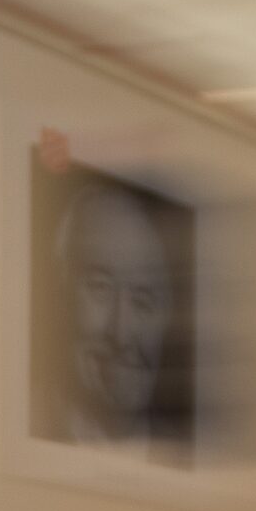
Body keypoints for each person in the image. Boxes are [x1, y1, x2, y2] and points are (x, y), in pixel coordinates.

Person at [54, 179, 176, 449]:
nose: (122, 334)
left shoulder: (184, 453)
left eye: (143, 300)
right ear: (60, 295)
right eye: (100, 288)